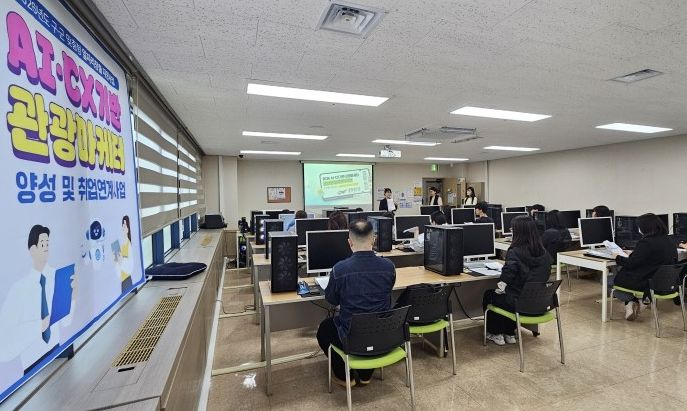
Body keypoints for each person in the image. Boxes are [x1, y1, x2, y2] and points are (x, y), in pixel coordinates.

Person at [316, 220, 396, 386]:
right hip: (383, 335)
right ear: (373, 239)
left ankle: (345, 377)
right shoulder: (389, 267)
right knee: (369, 323)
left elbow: (331, 300)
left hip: (352, 338)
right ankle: (366, 374)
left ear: (349, 242)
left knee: (324, 329)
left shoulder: (339, 269)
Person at [0, 225, 77, 375]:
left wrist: (72, 297)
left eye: (47, 243)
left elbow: (66, 321)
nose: (46, 247)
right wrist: (38, 326)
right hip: (32, 366)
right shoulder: (19, 289)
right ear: (32, 249)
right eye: (42, 244)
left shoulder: (57, 277)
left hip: (57, 351)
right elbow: (4, 345)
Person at [483, 216, 552, 345]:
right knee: (510, 295)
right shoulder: (544, 253)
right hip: (538, 303)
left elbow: (508, 275)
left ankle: (495, 333)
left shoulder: (515, 251)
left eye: (512, 229)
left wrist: (502, 284)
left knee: (490, 295)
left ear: (518, 232)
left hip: (519, 304)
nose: (511, 231)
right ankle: (510, 333)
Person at [611, 213, 677, 321]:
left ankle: (632, 302)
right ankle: (642, 301)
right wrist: (634, 253)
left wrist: (617, 257)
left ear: (646, 228)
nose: (638, 229)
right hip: (665, 282)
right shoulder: (670, 239)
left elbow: (631, 263)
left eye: (639, 227)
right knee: (620, 274)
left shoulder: (646, 242)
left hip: (647, 282)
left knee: (611, 281)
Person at [114, 216, 135, 293]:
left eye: (125, 226)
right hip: (121, 280)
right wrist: (119, 261)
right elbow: (116, 263)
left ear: (128, 228)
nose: (124, 228)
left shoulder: (129, 244)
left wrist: (121, 262)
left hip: (127, 280)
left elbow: (130, 267)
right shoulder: (118, 244)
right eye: (123, 225)